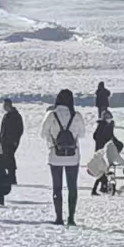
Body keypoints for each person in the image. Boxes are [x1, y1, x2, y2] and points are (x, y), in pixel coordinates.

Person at [41, 89, 87, 226]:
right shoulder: (76, 115)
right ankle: (71, 218)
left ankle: (59, 218)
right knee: (72, 188)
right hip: (73, 157)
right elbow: (82, 134)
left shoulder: (51, 114)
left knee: (57, 187)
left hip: (55, 155)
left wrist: (52, 141)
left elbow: (43, 133)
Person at [0, 99, 23, 185]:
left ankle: (12, 179)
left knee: (9, 160)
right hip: (4, 142)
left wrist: (15, 141)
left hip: (11, 143)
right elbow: (2, 130)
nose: (3, 107)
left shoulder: (16, 116)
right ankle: (1, 178)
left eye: (4, 105)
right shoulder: (6, 116)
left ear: (8, 105)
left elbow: (20, 130)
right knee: (1, 161)